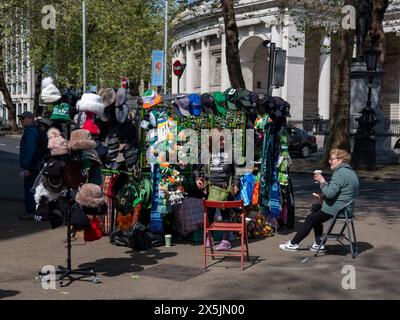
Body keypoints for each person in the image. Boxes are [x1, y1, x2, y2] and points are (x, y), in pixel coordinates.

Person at [279, 148, 359, 252]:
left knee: (310, 219)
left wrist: (322, 181)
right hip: (346, 208)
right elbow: (339, 193)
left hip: (338, 209)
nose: (329, 161)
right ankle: (318, 244)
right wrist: (323, 196)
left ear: (340, 160)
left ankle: (293, 244)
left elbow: (330, 193)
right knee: (316, 212)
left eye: (332, 159)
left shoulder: (340, 173)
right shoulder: (349, 172)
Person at [194, 129, 240, 251]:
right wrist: (197, 178)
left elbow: (236, 171)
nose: (223, 141)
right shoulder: (204, 153)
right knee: (209, 214)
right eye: (220, 139)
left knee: (226, 215)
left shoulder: (230, 153)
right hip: (210, 189)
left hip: (226, 189)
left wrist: (236, 184)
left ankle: (225, 240)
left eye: (224, 139)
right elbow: (196, 167)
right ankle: (209, 237)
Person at [18, 112, 41, 220]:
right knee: (33, 188)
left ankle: (31, 212)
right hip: (35, 165)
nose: (21, 121)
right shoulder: (32, 130)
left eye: (22, 118)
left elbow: (29, 150)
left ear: (30, 118)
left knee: (30, 189)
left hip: (32, 166)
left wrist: (27, 167)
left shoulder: (31, 131)